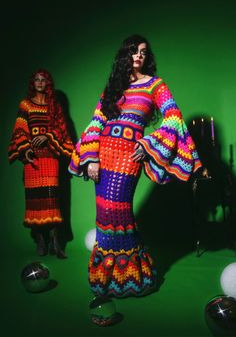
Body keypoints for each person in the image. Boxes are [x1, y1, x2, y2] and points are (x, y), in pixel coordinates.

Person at [69, 35, 202, 297]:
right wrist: (91, 157)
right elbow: (97, 121)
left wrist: (149, 143)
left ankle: (133, 277)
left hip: (129, 156)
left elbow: (174, 118)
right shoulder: (114, 88)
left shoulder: (155, 85)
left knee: (119, 213)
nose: (139, 55)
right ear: (124, 56)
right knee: (104, 215)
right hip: (104, 153)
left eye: (143, 51)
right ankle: (105, 280)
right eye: (133, 51)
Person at [8, 69, 74, 259]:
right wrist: (26, 150)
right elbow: (20, 130)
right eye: (36, 79)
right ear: (33, 83)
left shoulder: (55, 106)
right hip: (32, 160)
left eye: (43, 80)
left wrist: (48, 136)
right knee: (35, 201)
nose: (39, 82)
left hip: (50, 159)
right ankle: (41, 240)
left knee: (52, 199)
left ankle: (56, 242)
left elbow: (61, 132)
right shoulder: (26, 105)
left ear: (48, 83)